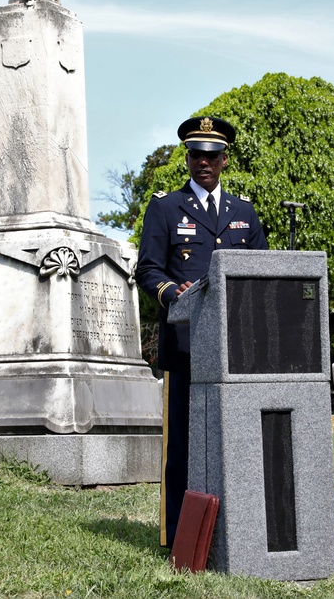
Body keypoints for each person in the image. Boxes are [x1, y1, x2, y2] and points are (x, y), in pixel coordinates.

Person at [136, 116, 267, 548]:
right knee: (184, 449)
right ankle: (180, 539)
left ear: (224, 160)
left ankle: (238, 531)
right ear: (187, 159)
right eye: (196, 154)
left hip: (236, 350)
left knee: (238, 443)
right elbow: (148, 270)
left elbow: (260, 275)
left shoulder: (244, 213)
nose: (203, 162)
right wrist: (175, 292)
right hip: (186, 346)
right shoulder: (165, 208)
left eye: (211, 155)